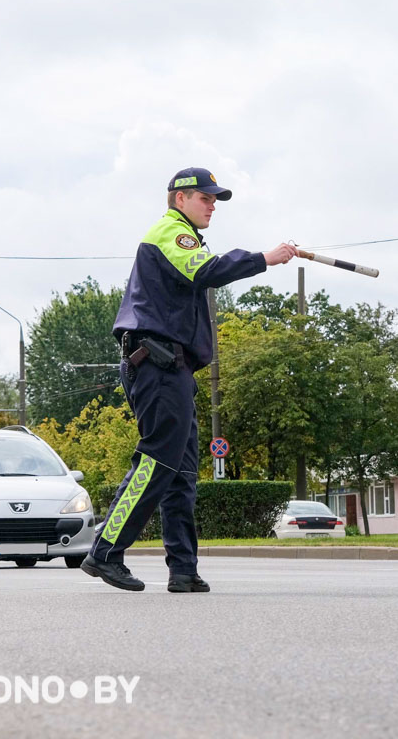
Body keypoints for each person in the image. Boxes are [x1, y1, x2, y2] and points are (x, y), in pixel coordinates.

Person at [80, 167, 297, 592]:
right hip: (156, 365)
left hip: (172, 368)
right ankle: (105, 551)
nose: (212, 205)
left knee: (181, 474)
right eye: (205, 198)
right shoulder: (170, 233)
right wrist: (264, 259)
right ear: (180, 199)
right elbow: (207, 270)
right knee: (157, 461)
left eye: (215, 200)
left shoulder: (184, 235)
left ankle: (183, 570)